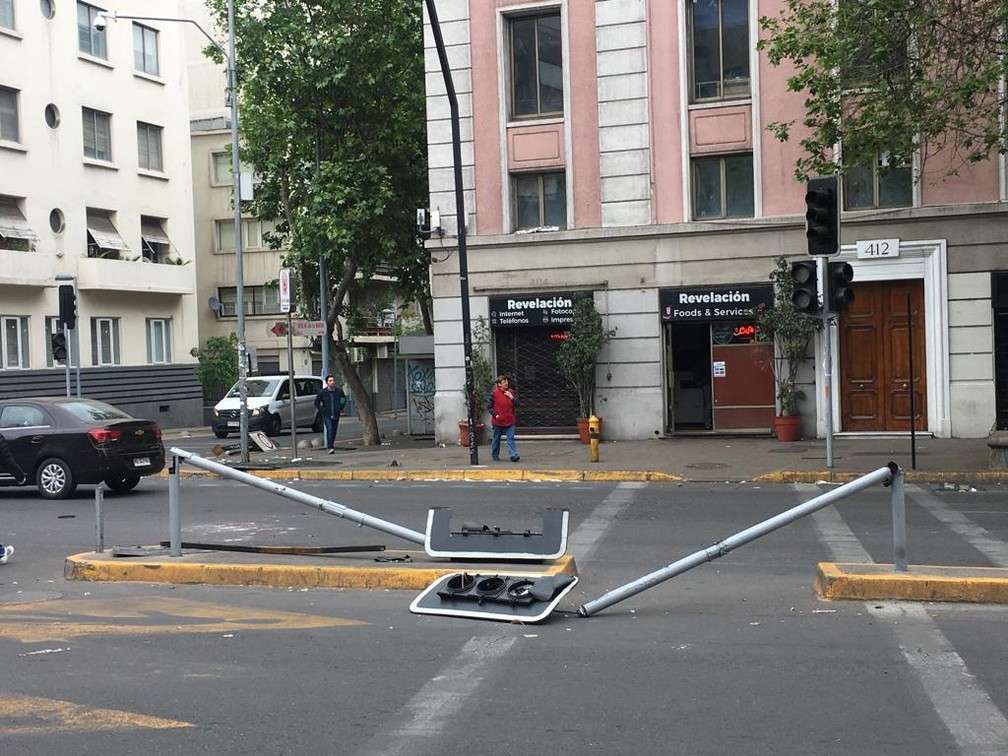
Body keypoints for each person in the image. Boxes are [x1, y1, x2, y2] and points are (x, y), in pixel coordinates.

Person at [487, 374, 519, 462]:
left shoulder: (511, 392)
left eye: (506, 381)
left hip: (510, 420)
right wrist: (496, 415)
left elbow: (517, 404)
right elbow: (489, 407)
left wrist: (511, 397)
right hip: (498, 421)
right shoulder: (494, 394)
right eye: (504, 382)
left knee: (510, 438)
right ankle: (495, 454)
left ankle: (513, 455)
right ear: (499, 384)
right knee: (496, 438)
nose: (506, 383)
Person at [314, 375, 347, 455]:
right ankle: (330, 447)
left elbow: (343, 399)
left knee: (334, 431)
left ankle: (331, 444)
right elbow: (316, 402)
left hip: (336, 413)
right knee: (330, 428)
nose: (332, 382)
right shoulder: (323, 392)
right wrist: (322, 409)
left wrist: (341, 407)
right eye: (330, 381)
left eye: (333, 380)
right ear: (327, 382)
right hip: (327, 414)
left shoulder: (338, 391)